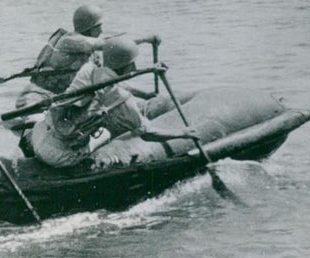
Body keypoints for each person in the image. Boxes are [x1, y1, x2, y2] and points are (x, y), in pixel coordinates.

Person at [29, 36, 196, 168]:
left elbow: (115, 82)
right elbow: (149, 134)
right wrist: (183, 133)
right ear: (130, 66)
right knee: (111, 134)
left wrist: (146, 95)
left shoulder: (90, 70)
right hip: (57, 155)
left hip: (39, 133)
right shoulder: (124, 102)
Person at [15, 5, 159, 109]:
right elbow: (111, 44)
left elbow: (108, 81)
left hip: (61, 98)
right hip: (38, 96)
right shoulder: (70, 41)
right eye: (98, 26)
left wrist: (145, 95)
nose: (101, 30)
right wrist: (146, 39)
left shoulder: (91, 52)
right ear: (88, 27)